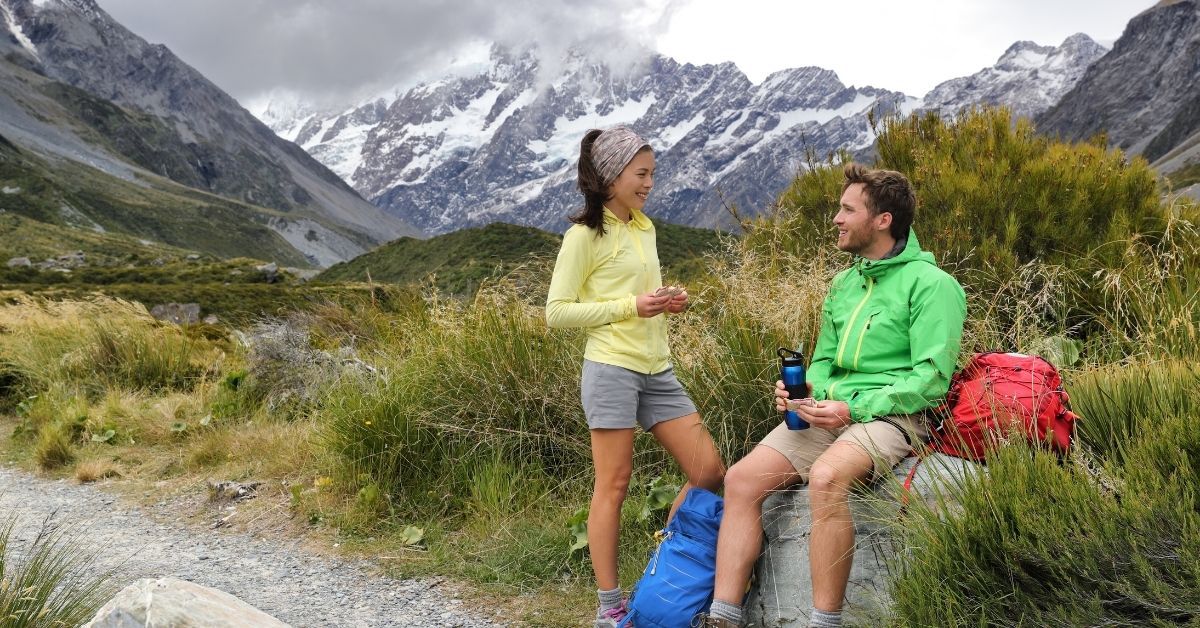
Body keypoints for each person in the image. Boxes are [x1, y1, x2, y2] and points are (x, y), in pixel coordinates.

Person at [696, 163, 966, 628]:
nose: (836, 219)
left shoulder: (933, 286)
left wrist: (853, 408)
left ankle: (823, 622)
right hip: (830, 413)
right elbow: (823, 360)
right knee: (740, 480)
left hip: (895, 416)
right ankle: (724, 617)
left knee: (826, 479)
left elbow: (931, 378)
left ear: (883, 220)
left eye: (847, 209)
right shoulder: (846, 283)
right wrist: (803, 393)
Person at [546, 126, 726, 628]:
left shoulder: (644, 227)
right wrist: (632, 306)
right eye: (641, 174)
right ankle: (609, 609)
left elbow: (642, 298)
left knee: (709, 471)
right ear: (611, 175)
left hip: (658, 369)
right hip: (611, 369)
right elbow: (556, 312)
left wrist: (668, 300)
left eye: (651, 174)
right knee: (615, 484)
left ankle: (665, 570)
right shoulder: (583, 236)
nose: (649, 183)